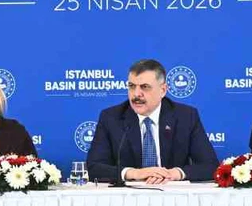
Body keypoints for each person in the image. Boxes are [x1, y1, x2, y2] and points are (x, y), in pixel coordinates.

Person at [86, 59, 218, 184]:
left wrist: (175, 173)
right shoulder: (111, 118)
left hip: (171, 194)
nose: (136, 94)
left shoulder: (185, 116)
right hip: (129, 196)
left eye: (145, 87)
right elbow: (94, 168)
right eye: (132, 86)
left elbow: (210, 165)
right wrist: (134, 173)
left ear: (163, 90)